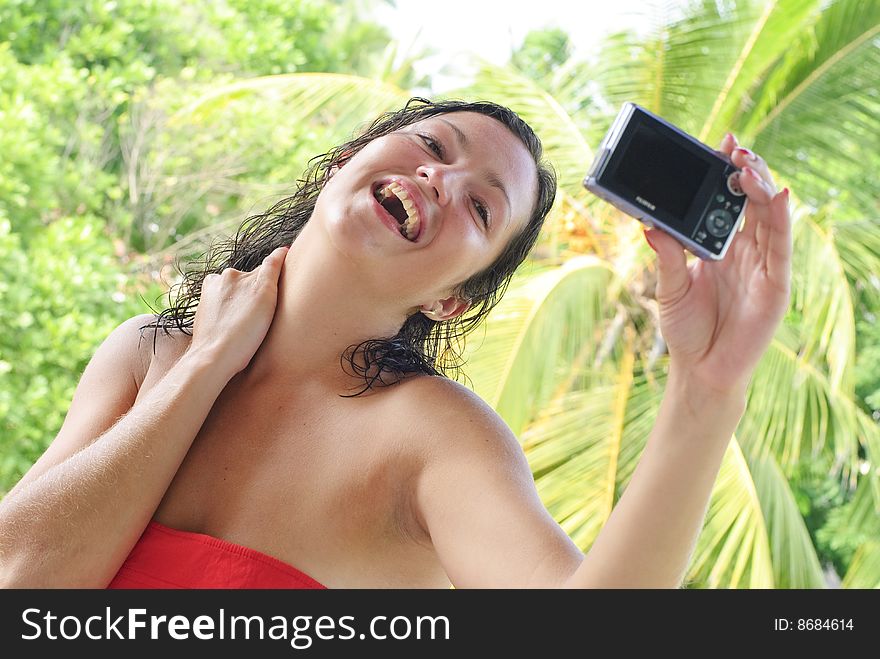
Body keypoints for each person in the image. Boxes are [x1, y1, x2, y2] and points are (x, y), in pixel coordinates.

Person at [0, 98, 791, 588]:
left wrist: (705, 390)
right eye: (434, 146)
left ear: (451, 298)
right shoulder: (148, 354)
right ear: (349, 159)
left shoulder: (432, 438)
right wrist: (205, 367)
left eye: (481, 209)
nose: (440, 181)